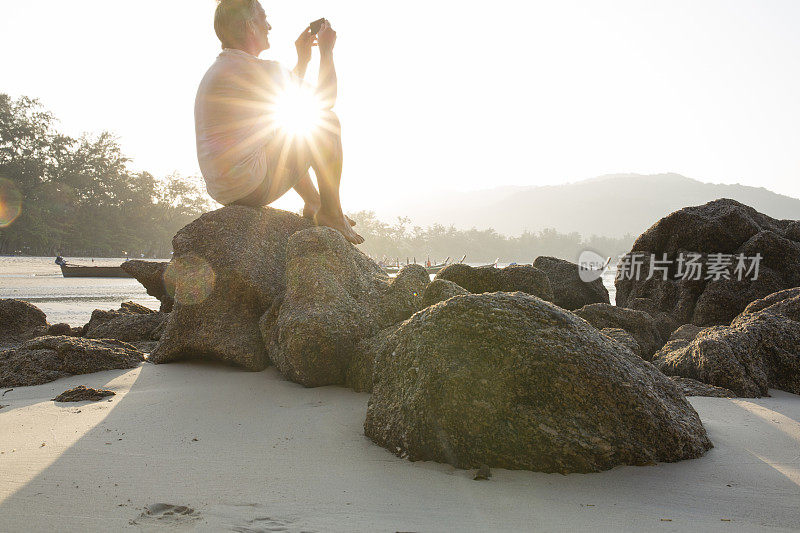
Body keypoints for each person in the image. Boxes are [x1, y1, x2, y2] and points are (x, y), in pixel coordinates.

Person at [195, 0, 363, 244]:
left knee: (286, 127)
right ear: (250, 26)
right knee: (326, 122)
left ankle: (314, 201)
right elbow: (326, 99)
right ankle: (332, 212)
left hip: (229, 186)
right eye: (263, 19)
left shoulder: (229, 66)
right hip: (250, 184)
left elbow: (285, 99)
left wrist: (303, 60)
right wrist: (326, 51)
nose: (269, 26)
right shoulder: (252, 68)